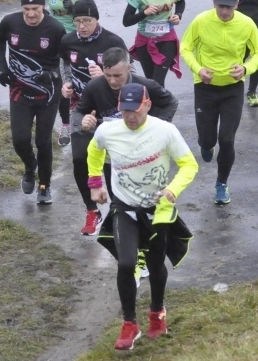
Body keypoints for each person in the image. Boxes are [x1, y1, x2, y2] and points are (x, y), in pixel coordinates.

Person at [87, 83, 198, 350]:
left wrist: (172, 190)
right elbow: (94, 151)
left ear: (147, 105)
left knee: (156, 263)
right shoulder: (108, 131)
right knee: (126, 264)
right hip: (123, 208)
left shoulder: (165, 131)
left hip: (157, 211)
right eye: (125, 111)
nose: (130, 117)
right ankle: (130, 323)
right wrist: (96, 183)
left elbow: (189, 165)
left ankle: (157, 314)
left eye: (135, 110)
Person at [73, 47, 179, 284]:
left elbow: (171, 102)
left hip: (143, 162)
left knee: (143, 207)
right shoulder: (95, 87)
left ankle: (146, 254)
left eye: (117, 76)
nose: (112, 81)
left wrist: (152, 129)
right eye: (108, 75)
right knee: (122, 208)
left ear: (129, 68)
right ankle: (134, 257)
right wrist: (83, 121)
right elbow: (78, 112)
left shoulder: (146, 85)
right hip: (113, 161)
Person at [179, 0, 258, 205]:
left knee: (226, 140)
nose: (224, 12)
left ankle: (221, 184)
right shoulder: (201, 21)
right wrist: (198, 69)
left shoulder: (246, 24)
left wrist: (245, 69)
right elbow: (186, 48)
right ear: (213, 4)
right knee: (208, 140)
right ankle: (205, 144)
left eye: (228, 7)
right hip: (205, 87)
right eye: (220, 7)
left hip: (232, 89)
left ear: (237, 5)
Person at [57, 0, 128, 235]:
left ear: (96, 19)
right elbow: (64, 63)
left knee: (110, 163)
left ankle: (117, 213)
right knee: (79, 158)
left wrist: (104, 77)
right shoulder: (68, 40)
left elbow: (132, 72)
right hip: (80, 106)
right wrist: (66, 82)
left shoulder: (112, 41)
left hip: (109, 109)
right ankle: (92, 210)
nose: (82, 26)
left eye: (87, 21)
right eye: (78, 21)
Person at [0, 0, 67, 204]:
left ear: (43, 7)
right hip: (19, 90)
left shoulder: (55, 29)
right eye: (26, 8)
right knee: (20, 139)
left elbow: (65, 63)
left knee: (43, 141)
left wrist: (52, 74)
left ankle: (44, 186)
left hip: (48, 94)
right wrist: (3, 68)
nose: (31, 14)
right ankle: (29, 166)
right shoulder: (10, 22)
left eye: (35, 8)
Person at [41, 0, 94, 147]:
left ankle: (86, 119)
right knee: (62, 85)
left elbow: (92, 14)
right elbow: (38, 10)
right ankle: (65, 125)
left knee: (79, 83)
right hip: (55, 42)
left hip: (77, 42)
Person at [122, 0, 186, 87]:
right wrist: (144, 13)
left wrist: (178, 15)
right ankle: (154, 106)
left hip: (166, 39)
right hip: (145, 40)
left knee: (157, 81)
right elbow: (126, 21)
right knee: (150, 81)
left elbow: (181, 2)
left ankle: (164, 106)